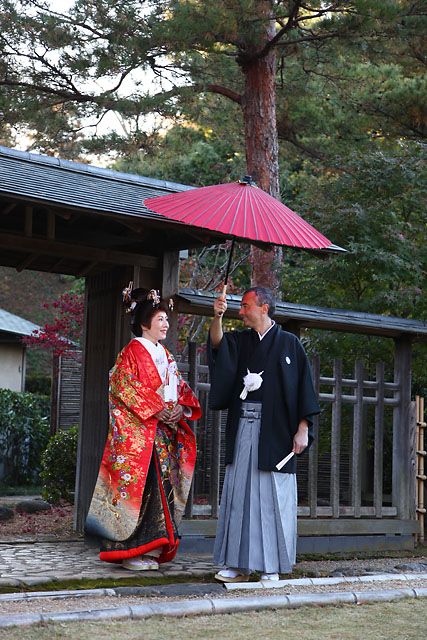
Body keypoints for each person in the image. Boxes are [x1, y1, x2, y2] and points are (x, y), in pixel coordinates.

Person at [208, 286, 320, 583]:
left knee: (272, 499)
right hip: (243, 427)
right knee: (239, 495)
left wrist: (303, 428)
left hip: (277, 432)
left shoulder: (289, 344)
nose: (241, 311)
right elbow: (218, 345)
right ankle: (237, 564)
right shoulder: (242, 341)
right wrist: (217, 317)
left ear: (264, 308)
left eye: (246, 306)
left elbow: (304, 389)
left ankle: (271, 566)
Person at [86, 285, 201, 571]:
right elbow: (123, 386)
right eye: (160, 319)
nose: (166, 324)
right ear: (144, 323)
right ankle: (129, 551)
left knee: (160, 491)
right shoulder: (132, 352)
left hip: (161, 434)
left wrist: (180, 408)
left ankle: (149, 549)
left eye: (166, 319)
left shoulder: (166, 354)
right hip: (140, 434)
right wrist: (158, 408)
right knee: (140, 490)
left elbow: (179, 387)